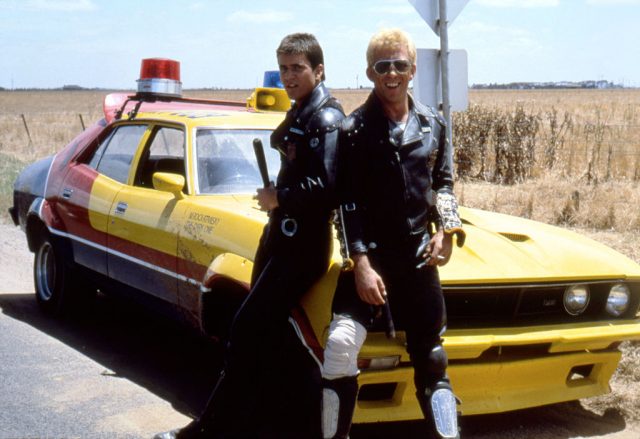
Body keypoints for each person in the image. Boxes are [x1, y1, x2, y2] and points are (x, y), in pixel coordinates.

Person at [155, 32, 344, 439]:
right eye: (284, 68)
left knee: (245, 332)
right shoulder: (303, 110)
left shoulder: (325, 117)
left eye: (298, 68)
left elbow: (329, 186)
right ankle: (263, 423)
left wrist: (281, 197)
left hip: (303, 246)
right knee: (266, 337)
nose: (290, 76)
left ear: (319, 70)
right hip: (281, 238)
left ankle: (209, 430)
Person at [321, 28, 465, 439]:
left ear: (413, 69)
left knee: (433, 358)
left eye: (400, 65)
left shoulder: (433, 123)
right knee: (341, 346)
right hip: (369, 259)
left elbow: (445, 185)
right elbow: (345, 205)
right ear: (370, 72)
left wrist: (448, 232)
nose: (392, 74)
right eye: (383, 66)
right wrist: (361, 265)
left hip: (418, 258)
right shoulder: (352, 130)